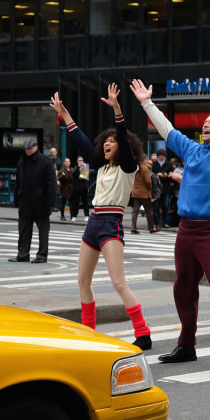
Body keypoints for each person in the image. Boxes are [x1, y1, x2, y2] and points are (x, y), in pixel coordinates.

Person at [130, 68, 210, 375]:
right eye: (206, 122)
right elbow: (167, 131)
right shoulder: (192, 149)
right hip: (186, 230)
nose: (206, 124)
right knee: (183, 289)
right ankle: (187, 345)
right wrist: (147, 104)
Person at [50, 84, 153, 349]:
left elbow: (121, 133)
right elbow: (81, 141)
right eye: (105, 141)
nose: (108, 143)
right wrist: (65, 114)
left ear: (124, 146)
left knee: (118, 281)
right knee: (82, 280)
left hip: (110, 223)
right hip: (94, 222)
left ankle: (143, 333)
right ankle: (88, 331)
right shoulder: (103, 167)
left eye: (113, 141)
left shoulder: (128, 167)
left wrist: (117, 109)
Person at [8, 138, 57, 264]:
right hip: (25, 203)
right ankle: (23, 254)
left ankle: (41, 255)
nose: (28, 151)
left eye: (30, 148)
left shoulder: (46, 162)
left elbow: (51, 185)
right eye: (26, 149)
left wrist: (50, 204)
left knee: (43, 232)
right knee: (24, 231)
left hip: (41, 203)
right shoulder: (22, 162)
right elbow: (18, 183)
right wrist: (17, 200)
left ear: (36, 147)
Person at [130, 154, 157, 234]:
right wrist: (150, 188)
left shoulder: (135, 167)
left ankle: (133, 227)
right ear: (144, 160)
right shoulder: (145, 168)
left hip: (135, 192)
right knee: (149, 211)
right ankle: (151, 227)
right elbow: (148, 181)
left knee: (135, 211)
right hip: (144, 193)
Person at [152, 148, 174, 228]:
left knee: (165, 205)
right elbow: (151, 174)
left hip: (165, 187)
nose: (162, 157)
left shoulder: (168, 164)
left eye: (163, 156)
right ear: (158, 156)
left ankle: (165, 222)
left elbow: (172, 174)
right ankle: (157, 223)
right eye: (160, 156)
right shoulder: (154, 164)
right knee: (156, 206)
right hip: (156, 188)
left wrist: (166, 175)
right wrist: (157, 174)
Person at [70, 155, 91, 220]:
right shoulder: (75, 168)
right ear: (77, 161)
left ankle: (86, 215)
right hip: (76, 187)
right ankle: (74, 216)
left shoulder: (85, 167)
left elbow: (85, 177)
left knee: (85, 202)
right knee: (75, 202)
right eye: (79, 160)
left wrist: (85, 168)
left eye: (81, 160)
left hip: (83, 187)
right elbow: (72, 174)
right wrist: (78, 168)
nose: (80, 162)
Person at [57, 157, 74, 221]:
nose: (67, 162)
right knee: (63, 202)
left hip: (70, 189)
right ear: (64, 163)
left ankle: (72, 216)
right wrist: (62, 176)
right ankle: (62, 216)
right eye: (66, 161)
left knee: (71, 203)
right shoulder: (61, 171)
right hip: (64, 188)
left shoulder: (73, 170)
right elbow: (58, 179)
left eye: (68, 161)